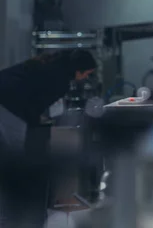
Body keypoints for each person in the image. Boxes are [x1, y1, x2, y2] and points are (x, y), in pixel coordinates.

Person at [0, 49, 97, 227]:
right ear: (79, 70)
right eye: (86, 74)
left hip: (4, 97)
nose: (84, 79)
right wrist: (39, 119)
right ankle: (10, 216)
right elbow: (33, 106)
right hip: (9, 108)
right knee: (13, 161)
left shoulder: (50, 64)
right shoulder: (60, 81)